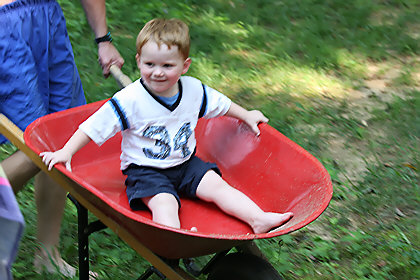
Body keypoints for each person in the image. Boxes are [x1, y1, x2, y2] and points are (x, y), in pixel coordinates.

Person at [40, 18, 293, 234]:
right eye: (150, 65)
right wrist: (66, 151)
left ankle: (258, 219)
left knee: (217, 187)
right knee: (165, 202)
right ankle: (177, 238)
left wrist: (245, 114)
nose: (157, 72)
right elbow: (94, 126)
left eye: (167, 66)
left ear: (185, 66)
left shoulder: (193, 90)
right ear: (138, 61)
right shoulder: (131, 99)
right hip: (145, 171)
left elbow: (220, 104)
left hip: (185, 163)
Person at [0, 0, 123, 277]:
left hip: (47, 18)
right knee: (35, 145)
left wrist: (103, 38)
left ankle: (47, 254)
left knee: (65, 136)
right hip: (4, 26)